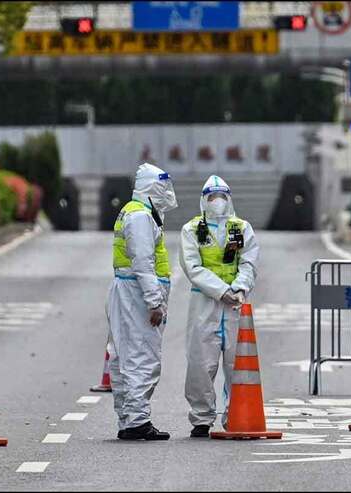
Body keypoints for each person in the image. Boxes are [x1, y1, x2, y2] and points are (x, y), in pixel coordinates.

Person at [179, 175, 259, 438]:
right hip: (205, 302)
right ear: (204, 200)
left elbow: (249, 262)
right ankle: (201, 418)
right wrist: (220, 290)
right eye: (212, 197)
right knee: (201, 361)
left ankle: (235, 414)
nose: (217, 202)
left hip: (235, 304)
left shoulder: (241, 227)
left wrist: (238, 288)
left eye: (222, 197)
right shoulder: (192, 229)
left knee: (237, 362)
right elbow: (193, 267)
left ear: (229, 198)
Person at [107, 162, 178, 441]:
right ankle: (137, 420)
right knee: (142, 356)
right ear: (151, 186)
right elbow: (143, 262)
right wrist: (154, 302)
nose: (166, 191)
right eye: (162, 186)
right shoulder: (140, 217)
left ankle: (128, 418)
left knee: (126, 354)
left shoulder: (137, 211)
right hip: (137, 293)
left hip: (128, 290)